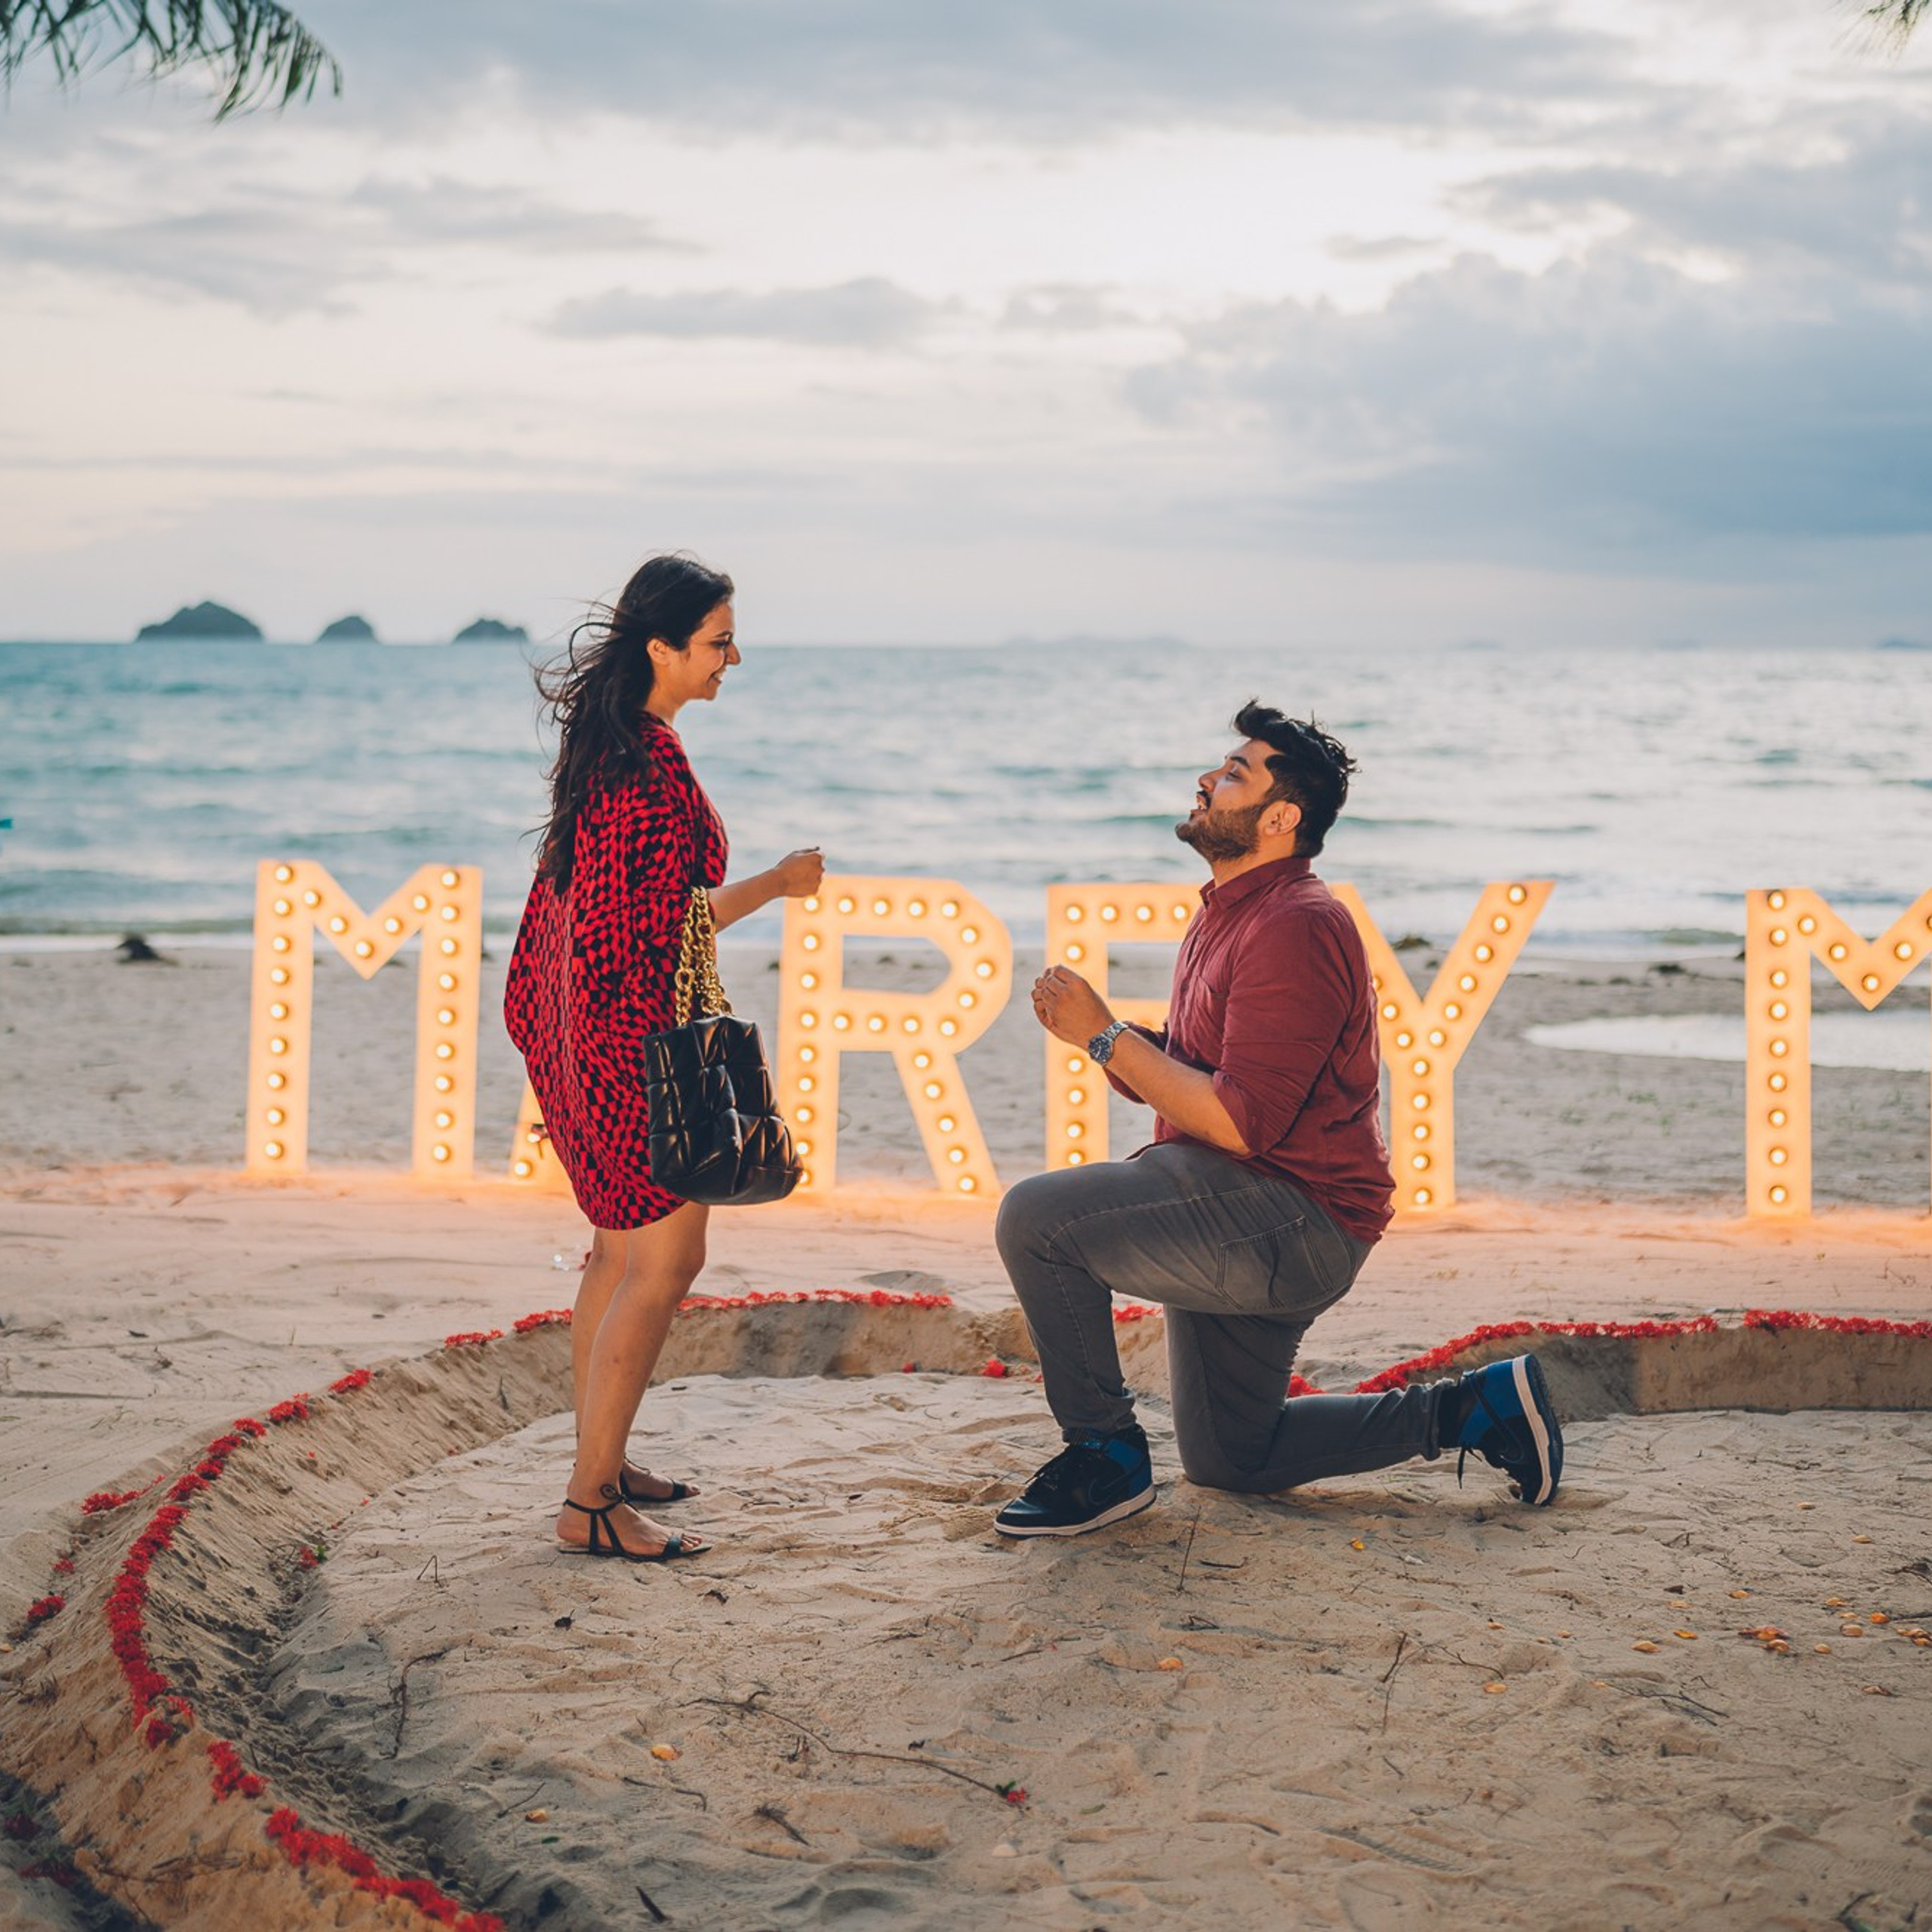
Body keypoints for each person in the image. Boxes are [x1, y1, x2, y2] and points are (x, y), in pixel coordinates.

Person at [992, 702, 1562, 1537]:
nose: (1206, 781)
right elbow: (1206, 1077)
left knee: (1036, 1219)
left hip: (1289, 1219)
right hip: (1233, 1201)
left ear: (1279, 816)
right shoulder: (1229, 909)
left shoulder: (1296, 923)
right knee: (1235, 1458)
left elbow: (1241, 1121)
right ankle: (1473, 1409)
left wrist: (1105, 1035)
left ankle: (1102, 1455)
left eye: (1232, 774)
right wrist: (1117, 1044)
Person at [506, 554, 824, 1563]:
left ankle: (604, 1459)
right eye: (719, 641)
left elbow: (601, 912)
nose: (734, 657)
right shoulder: (650, 768)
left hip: (566, 1025)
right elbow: (657, 935)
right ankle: (591, 1498)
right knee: (668, 1259)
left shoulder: (605, 750)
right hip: (624, 1043)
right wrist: (776, 882)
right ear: (663, 649)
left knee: (614, 1255)